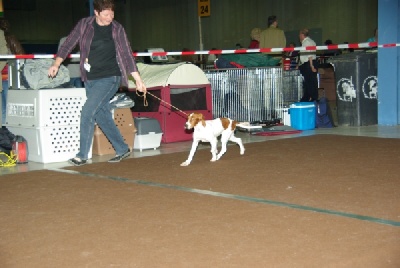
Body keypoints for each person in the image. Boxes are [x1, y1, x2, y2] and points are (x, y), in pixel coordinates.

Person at [48, 0, 147, 166]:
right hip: (89, 79)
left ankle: (82, 155)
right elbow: (68, 44)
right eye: (106, 14)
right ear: (96, 13)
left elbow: (127, 55)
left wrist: (138, 80)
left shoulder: (117, 29)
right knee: (101, 115)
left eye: (112, 14)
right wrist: (56, 64)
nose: (110, 18)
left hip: (110, 78)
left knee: (87, 112)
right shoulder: (84, 25)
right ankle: (122, 148)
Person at [0, 18, 25, 126]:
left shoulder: (10, 38)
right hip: (6, 76)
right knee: (5, 107)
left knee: (6, 107)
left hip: (8, 76)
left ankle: (5, 131)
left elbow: (21, 56)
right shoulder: (10, 38)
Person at [298, 28, 318, 102]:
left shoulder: (306, 43)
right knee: (310, 82)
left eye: (300, 34)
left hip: (309, 63)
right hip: (311, 62)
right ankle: (307, 97)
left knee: (309, 82)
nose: (299, 36)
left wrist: (311, 66)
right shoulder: (312, 41)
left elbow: (309, 55)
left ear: (302, 35)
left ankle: (313, 98)